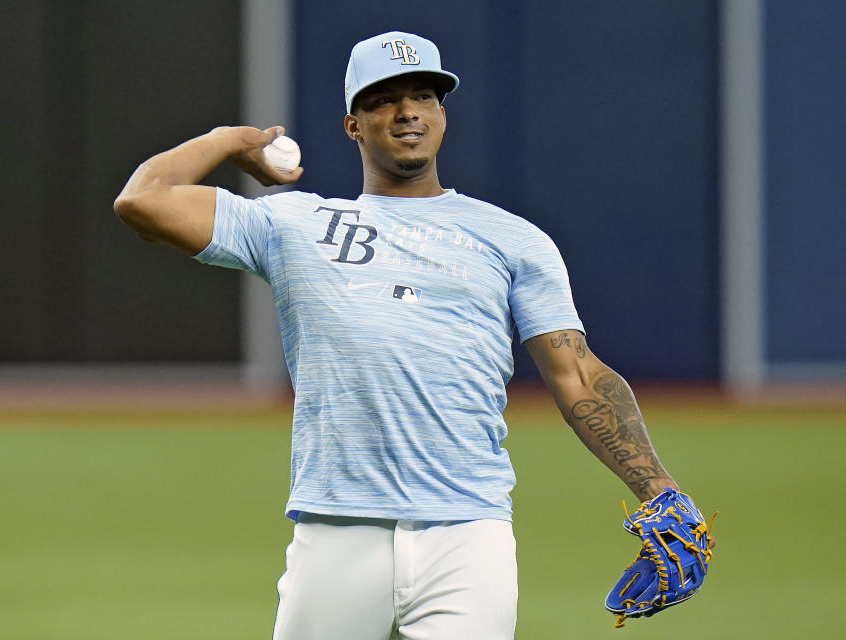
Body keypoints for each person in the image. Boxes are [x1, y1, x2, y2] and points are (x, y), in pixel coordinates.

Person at [114, 31, 697, 640]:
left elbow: (577, 374)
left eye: (424, 94)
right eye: (384, 99)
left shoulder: (513, 239)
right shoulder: (293, 223)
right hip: (337, 530)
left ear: (442, 114)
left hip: (468, 538)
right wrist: (231, 142)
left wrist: (660, 491)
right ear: (353, 125)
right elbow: (142, 201)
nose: (407, 111)